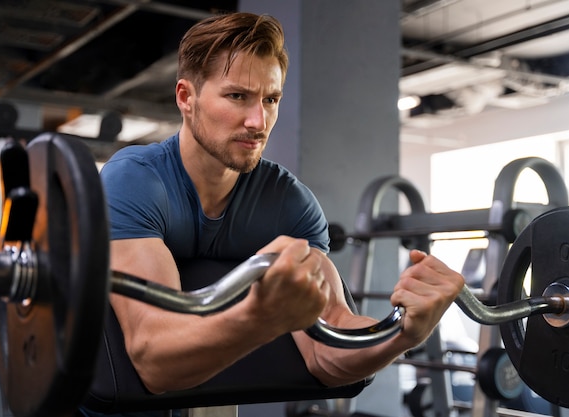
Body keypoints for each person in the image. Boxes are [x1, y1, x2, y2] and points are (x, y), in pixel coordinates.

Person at [83, 11, 464, 416]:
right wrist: (259, 318)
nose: (258, 121)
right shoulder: (135, 181)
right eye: (237, 97)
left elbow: (328, 353)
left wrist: (401, 331)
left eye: (270, 99)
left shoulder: (289, 203)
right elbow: (153, 361)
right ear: (185, 98)